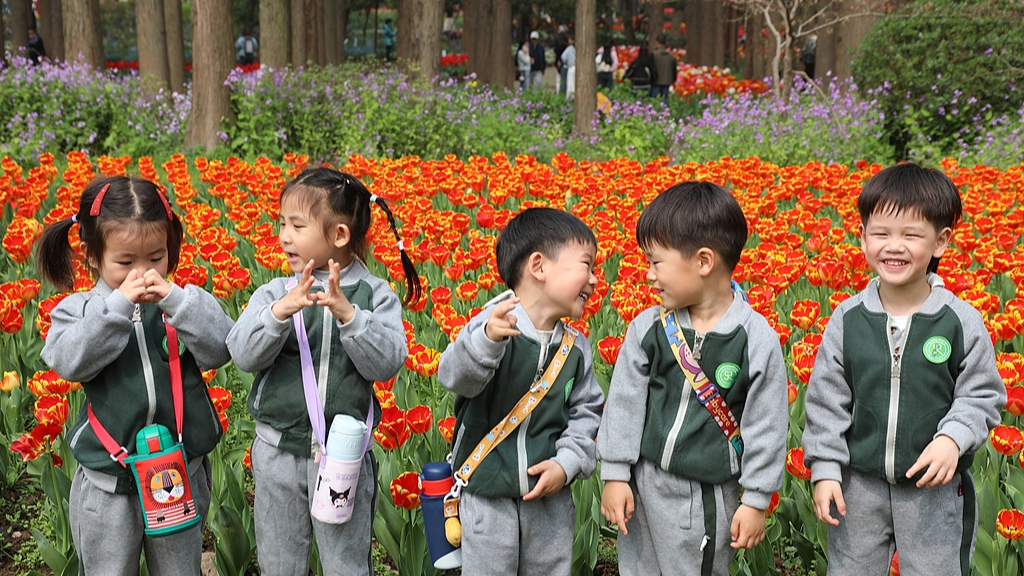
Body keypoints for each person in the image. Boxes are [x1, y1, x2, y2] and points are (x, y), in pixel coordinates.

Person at [804, 163, 1005, 576]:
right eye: (881, 233)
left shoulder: (959, 321)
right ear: (862, 237)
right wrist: (824, 470)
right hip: (856, 487)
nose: (893, 246)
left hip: (934, 488)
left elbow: (982, 394)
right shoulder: (848, 319)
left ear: (941, 242)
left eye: (911, 235)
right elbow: (826, 402)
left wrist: (953, 439)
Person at [226, 167, 420, 576]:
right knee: (280, 562)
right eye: (282, 223)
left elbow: (387, 364)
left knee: (345, 563)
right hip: (278, 452)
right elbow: (242, 354)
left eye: (297, 225)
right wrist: (278, 314)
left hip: (344, 458)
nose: (284, 236)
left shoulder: (373, 295)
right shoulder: (275, 291)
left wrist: (350, 316)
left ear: (340, 236)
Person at [36, 176, 233, 575]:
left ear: (170, 248)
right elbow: (68, 360)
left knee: (180, 570)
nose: (142, 273)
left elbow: (222, 348)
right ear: (92, 254)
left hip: (178, 472)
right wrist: (117, 307)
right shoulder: (79, 310)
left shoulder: (182, 302)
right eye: (125, 262)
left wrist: (176, 299)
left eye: (156, 258)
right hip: (109, 483)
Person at [598, 182, 787, 576]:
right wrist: (615, 474)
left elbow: (767, 425)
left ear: (703, 261)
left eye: (656, 262)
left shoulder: (754, 339)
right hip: (644, 486)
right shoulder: (648, 329)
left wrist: (755, 499)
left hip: (704, 496)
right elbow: (624, 403)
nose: (648, 275)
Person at [437, 208, 605, 576]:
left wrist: (568, 463)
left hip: (549, 498)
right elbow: (453, 378)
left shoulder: (576, 348)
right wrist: (485, 343)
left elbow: (588, 414)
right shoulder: (490, 325)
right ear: (539, 267)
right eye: (587, 265)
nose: (594, 280)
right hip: (486, 495)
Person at [650, 34, 676, 104]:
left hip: (656, 81)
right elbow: (674, 69)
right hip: (667, 80)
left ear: (657, 43)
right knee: (665, 100)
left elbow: (651, 68)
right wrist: (673, 80)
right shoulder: (671, 56)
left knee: (653, 100)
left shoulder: (654, 54)